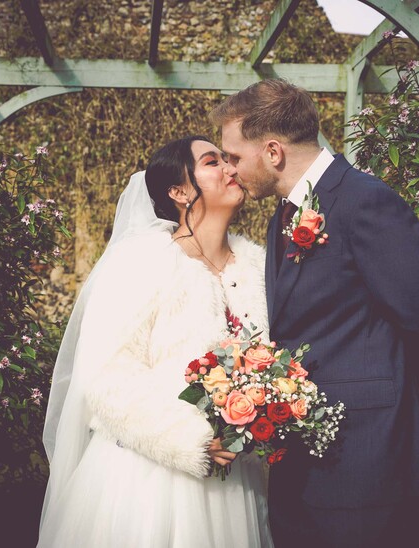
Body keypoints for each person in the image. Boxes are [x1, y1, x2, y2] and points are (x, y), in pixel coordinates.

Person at [210, 79, 419, 547]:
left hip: (369, 460)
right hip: (301, 459)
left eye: (235, 157)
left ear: (272, 151)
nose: (230, 169)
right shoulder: (281, 214)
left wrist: (386, 400)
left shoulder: (366, 200)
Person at [37, 136, 273, 547]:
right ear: (179, 192)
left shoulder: (258, 267)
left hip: (236, 482)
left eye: (228, 159)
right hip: (150, 481)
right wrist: (191, 441)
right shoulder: (143, 261)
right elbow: (107, 375)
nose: (231, 169)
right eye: (213, 162)